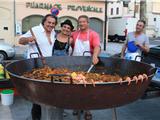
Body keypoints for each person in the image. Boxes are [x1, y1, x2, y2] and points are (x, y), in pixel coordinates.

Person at [19, 14, 57, 120]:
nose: (51, 25)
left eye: (53, 23)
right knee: (37, 93)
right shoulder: (35, 30)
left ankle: (47, 114)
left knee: (47, 91)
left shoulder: (53, 32)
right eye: (49, 22)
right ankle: (36, 117)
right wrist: (29, 39)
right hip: (35, 65)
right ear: (44, 22)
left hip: (47, 66)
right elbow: (20, 41)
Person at [71, 15, 101, 119]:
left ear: (88, 23)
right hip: (74, 63)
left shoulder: (93, 34)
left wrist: (95, 56)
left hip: (88, 64)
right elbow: (71, 46)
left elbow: (97, 46)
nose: (81, 24)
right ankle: (76, 106)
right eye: (80, 22)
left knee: (87, 88)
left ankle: (88, 110)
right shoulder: (74, 34)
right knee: (75, 86)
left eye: (84, 22)